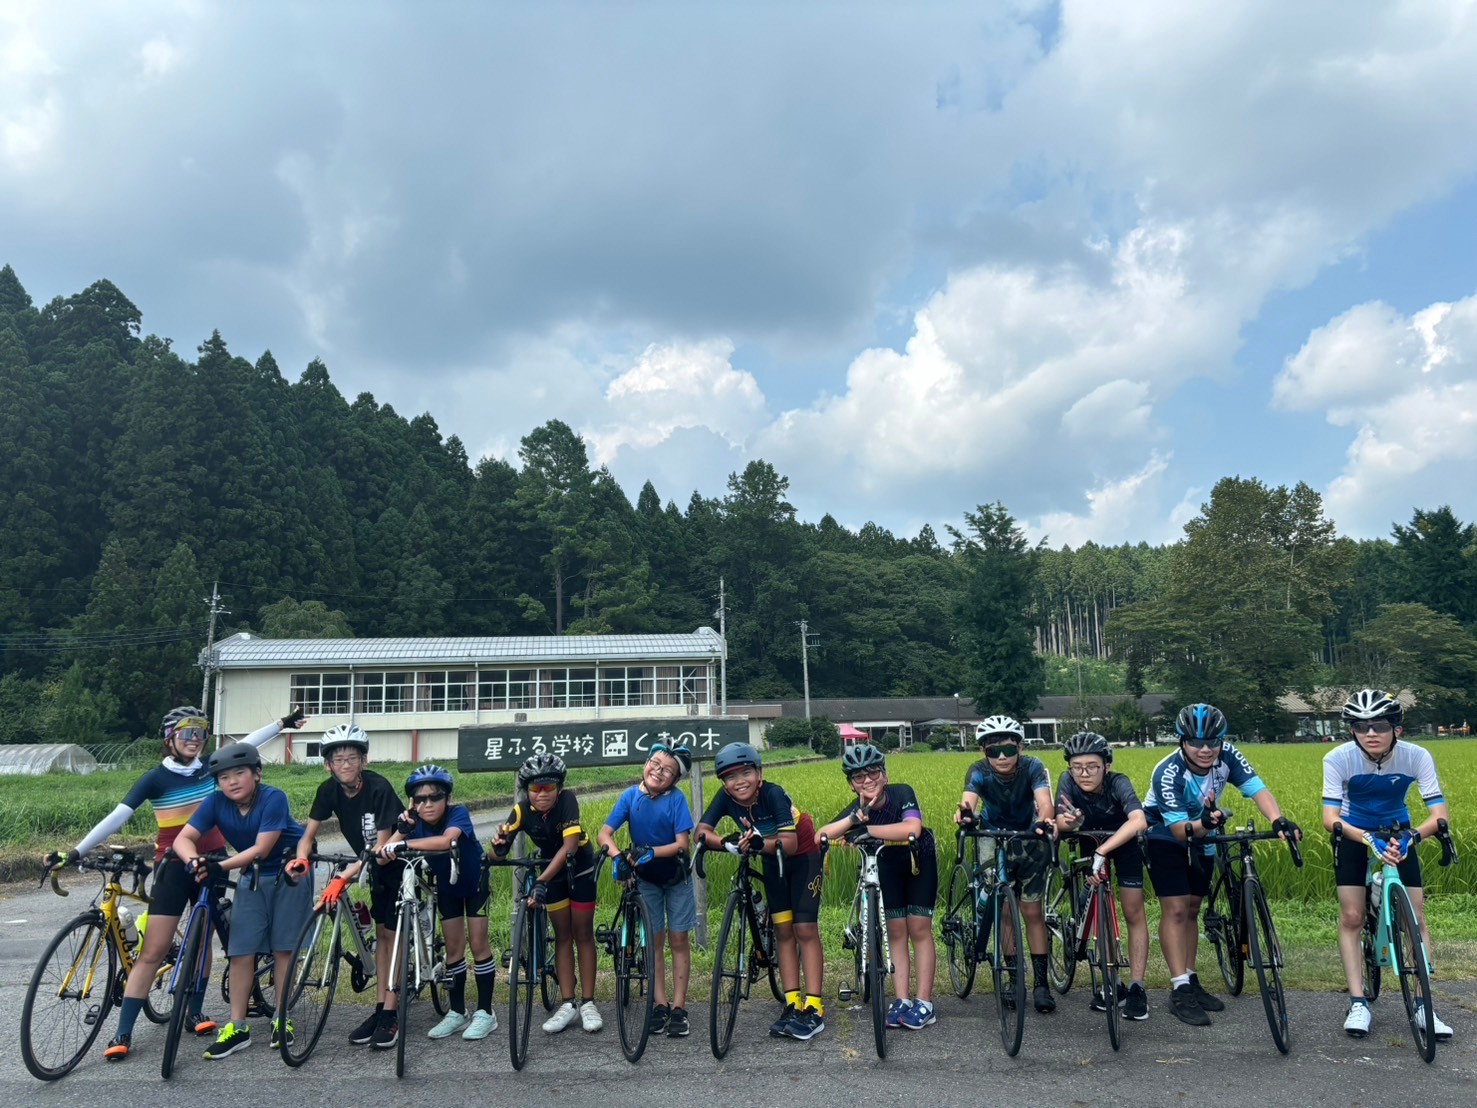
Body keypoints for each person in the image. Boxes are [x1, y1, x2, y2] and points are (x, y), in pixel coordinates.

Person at [44, 703, 305, 1062]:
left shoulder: (215, 772)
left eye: (200, 734)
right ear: (169, 738)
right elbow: (117, 817)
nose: (194, 741)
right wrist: (75, 852)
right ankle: (123, 1031)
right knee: (154, 948)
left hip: (216, 863)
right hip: (173, 863)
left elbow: (248, 743)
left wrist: (282, 724)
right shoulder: (156, 778)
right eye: (186, 734)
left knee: (202, 946)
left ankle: (194, 1011)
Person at [1143, 703, 1300, 1027]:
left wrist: (1278, 819)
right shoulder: (1169, 771)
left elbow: (1257, 789)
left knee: (1194, 908)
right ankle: (1179, 990)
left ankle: (1190, 977)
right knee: (1175, 909)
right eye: (1196, 742)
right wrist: (1203, 823)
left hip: (1203, 832)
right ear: (1182, 741)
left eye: (1212, 742)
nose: (1205, 749)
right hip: (1164, 834)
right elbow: (1178, 831)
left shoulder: (1228, 755)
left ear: (1221, 741)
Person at [1322, 689, 1452, 1040]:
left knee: (1416, 916)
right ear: (1352, 731)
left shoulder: (1416, 756)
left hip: (1400, 830)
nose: (1371, 734)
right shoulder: (1338, 758)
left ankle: (1425, 1006)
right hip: (1354, 831)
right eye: (1361, 727)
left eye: (1379, 725)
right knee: (1352, 916)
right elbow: (1329, 817)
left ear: (1397, 728)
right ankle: (1359, 1002)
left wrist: (1411, 838)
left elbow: (1438, 815)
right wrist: (1366, 839)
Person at [173, 741, 312, 1060]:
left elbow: (263, 848)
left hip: (287, 870)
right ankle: (238, 1027)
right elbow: (184, 838)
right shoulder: (215, 802)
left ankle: (281, 1018)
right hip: (251, 875)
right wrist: (194, 861)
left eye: (239, 773)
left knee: (282, 949)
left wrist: (218, 866)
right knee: (240, 950)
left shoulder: (274, 798)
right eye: (224, 777)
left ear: (257, 774)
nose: (232, 781)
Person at [696, 742, 827, 1041]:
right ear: (724, 783)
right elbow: (700, 832)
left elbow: (789, 844)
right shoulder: (726, 797)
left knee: (804, 928)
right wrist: (726, 843)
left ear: (759, 773)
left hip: (803, 856)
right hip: (772, 858)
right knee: (782, 930)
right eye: (730, 776)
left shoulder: (773, 793)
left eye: (745, 772)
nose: (739, 780)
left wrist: (756, 843)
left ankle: (815, 1007)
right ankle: (792, 1002)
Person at [286, 723, 405, 1048]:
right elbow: (307, 837)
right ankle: (380, 1008)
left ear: (363, 761)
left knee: (389, 935)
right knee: (380, 934)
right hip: (370, 859)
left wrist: (343, 877)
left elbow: (381, 851)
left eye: (352, 758)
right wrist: (301, 859)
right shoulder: (328, 790)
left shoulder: (379, 788)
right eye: (338, 760)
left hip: (396, 858)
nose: (345, 765)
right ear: (328, 764)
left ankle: (390, 1013)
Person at [816, 743, 938, 1031]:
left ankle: (924, 1003)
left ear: (884, 775)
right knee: (896, 931)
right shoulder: (857, 807)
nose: (868, 780)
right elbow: (821, 835)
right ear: (851, 784)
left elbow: (912, 829)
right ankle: (902, 1000)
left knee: (918, 928)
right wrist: (852, 820)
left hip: (918, 862)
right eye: (859, 778)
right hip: (886, 866)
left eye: (873, 773)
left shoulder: (902, 792)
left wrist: (866, 830)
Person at [378, 764, 498, 1042]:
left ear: (447, 798)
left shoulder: (459, 813)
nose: (428, 804)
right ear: (413, 802)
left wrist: (403, 845)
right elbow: (383, 857)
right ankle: (457, 1012)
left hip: (473, 879)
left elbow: (446, 841)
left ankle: (485, 1013)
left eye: (435, 797)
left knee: (478, 944)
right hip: (447, 884)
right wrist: (400, 831)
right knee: (454, 948)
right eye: (420, 799)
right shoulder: (413, 822)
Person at [491, 753, 603, 1034]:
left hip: (579, 868)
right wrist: (500, 846)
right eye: (535, 789)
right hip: (550, 873)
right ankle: (568, 1003)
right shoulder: (520, 811)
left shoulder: (567, 801)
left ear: (559, 789)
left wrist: (539, 881)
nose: (541, 794)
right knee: (563, 935)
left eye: (548, 788)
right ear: (526, 791)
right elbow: (497, 854)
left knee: (583, 934)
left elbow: (570, 847)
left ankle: (588, 1002)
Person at [954, 715, 1057, 1014]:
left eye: (1009, 751)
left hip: (1028, 835)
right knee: (1003, 910)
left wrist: (1043, 820)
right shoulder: (978, 770)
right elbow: (969, 801)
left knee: (1032, 911)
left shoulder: (1033, 767)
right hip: (991, 834)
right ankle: (1013, 979)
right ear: (984, 753)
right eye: (993, 751)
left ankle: (1040, 985)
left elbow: (1045, 801)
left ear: (1020, 748)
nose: (1001, 757)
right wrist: (966, 815)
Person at [598, 743, 696, 1037]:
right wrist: (617, 856)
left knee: (678, 939)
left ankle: (679, 1008)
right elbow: (605, 833)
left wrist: (650, 851)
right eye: (655, 763)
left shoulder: (676, 800)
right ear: (646, 763)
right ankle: (660, 1004)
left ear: (675, 779)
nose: (658, 771)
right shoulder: (630, 796)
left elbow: (682, 844)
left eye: (668, 770)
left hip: (676, 877)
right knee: (653, 940)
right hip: (646, 879)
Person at [1052, 731, 1150, 1021]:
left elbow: (1139, 820)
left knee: (1134, 911)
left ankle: (1136, 987)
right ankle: (1111, 984)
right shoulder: (1067, 781)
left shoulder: (1118, 783)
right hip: (1089, 841)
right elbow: (1060, 820)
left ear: (1106, 766)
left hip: (1121, 842)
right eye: (1077, 766)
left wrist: (1104, 851)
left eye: (1092, 766)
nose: (1084, 773)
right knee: (1099, 909)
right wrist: (1070, 823)